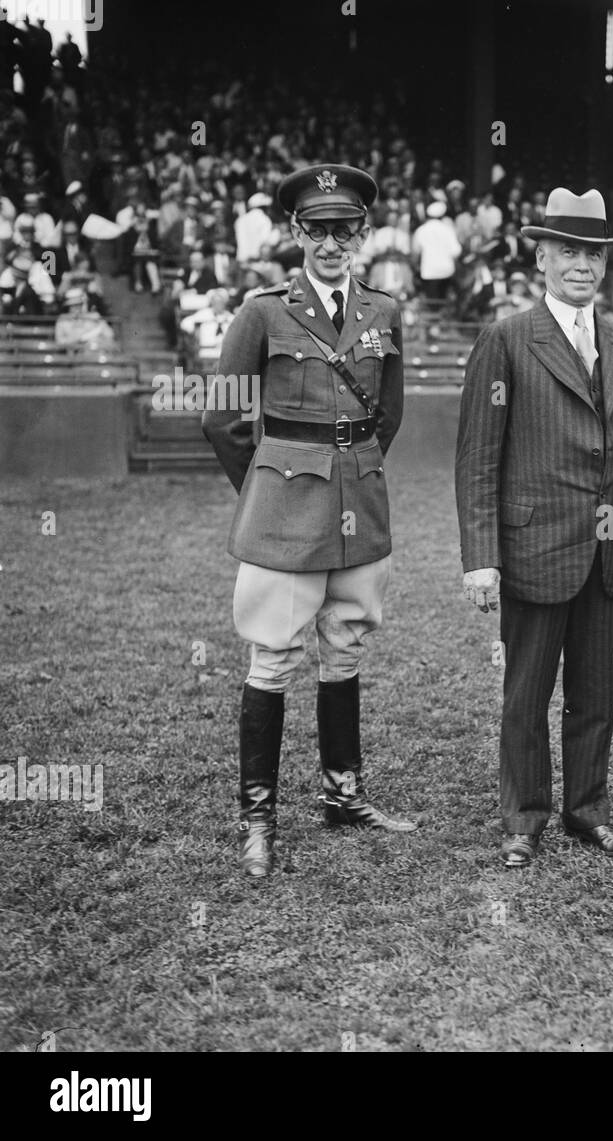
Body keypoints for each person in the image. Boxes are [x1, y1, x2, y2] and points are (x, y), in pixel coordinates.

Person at [202, 164, 414, 879]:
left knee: (347, 642)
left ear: (363, 234)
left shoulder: (383, 312)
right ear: (294, 232)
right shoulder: (262, 312)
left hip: (361, 496)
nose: (331, 242)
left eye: (344, 229)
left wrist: (356, 464)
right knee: (273, 655)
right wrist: (267, 486)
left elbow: (390, 411)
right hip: (285, 506)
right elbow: (223, 415)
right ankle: (257, 817)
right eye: (317, 228)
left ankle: (343, 793)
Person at [455, 187, 613, 868]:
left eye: (593, 253)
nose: (582, 264)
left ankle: (589, 809)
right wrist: (480, 557)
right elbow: (477, 457)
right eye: (568, 250)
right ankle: (523, 817)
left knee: (596, 689)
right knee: (525, 693)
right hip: (533, 547)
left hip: (608, 544)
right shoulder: (506, 340)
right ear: (541, 256)